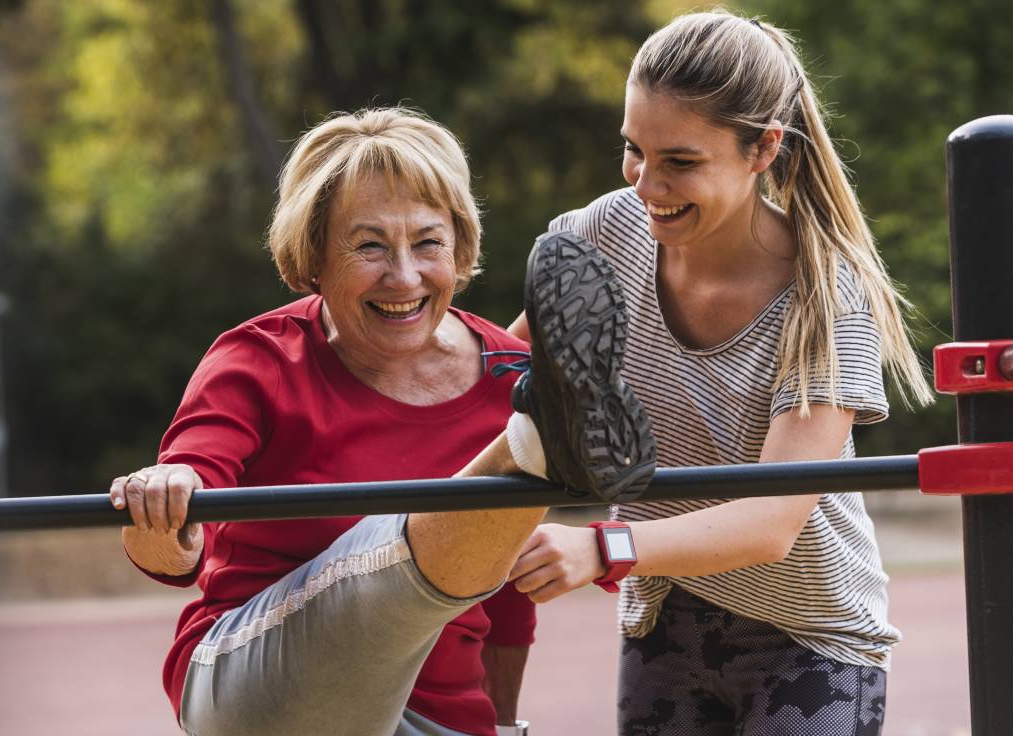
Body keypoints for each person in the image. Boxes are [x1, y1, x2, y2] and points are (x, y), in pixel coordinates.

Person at [109, 107, 657, 736]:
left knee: (484, 519)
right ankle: (529, 451)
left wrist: (504, 726)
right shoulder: (259, 359)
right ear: (310, 259)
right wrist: (162, 506)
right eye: (369, 246)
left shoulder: (508, 377)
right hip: (261, 694)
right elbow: (176, 526)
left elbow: (505, 604)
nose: (404, 276)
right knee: (395, 544)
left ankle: (527, 455)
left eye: (428, 243)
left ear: (460, 249)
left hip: (430, 720)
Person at [502, 10, 934, 735]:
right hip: (665, 618)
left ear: (763, 148)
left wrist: (600, 545)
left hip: (811, 640)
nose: (646, 184)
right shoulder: (605, 235)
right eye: (633, 150)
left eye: (680, 160)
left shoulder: (826, 293)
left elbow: (772, 522)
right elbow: (498, 372)